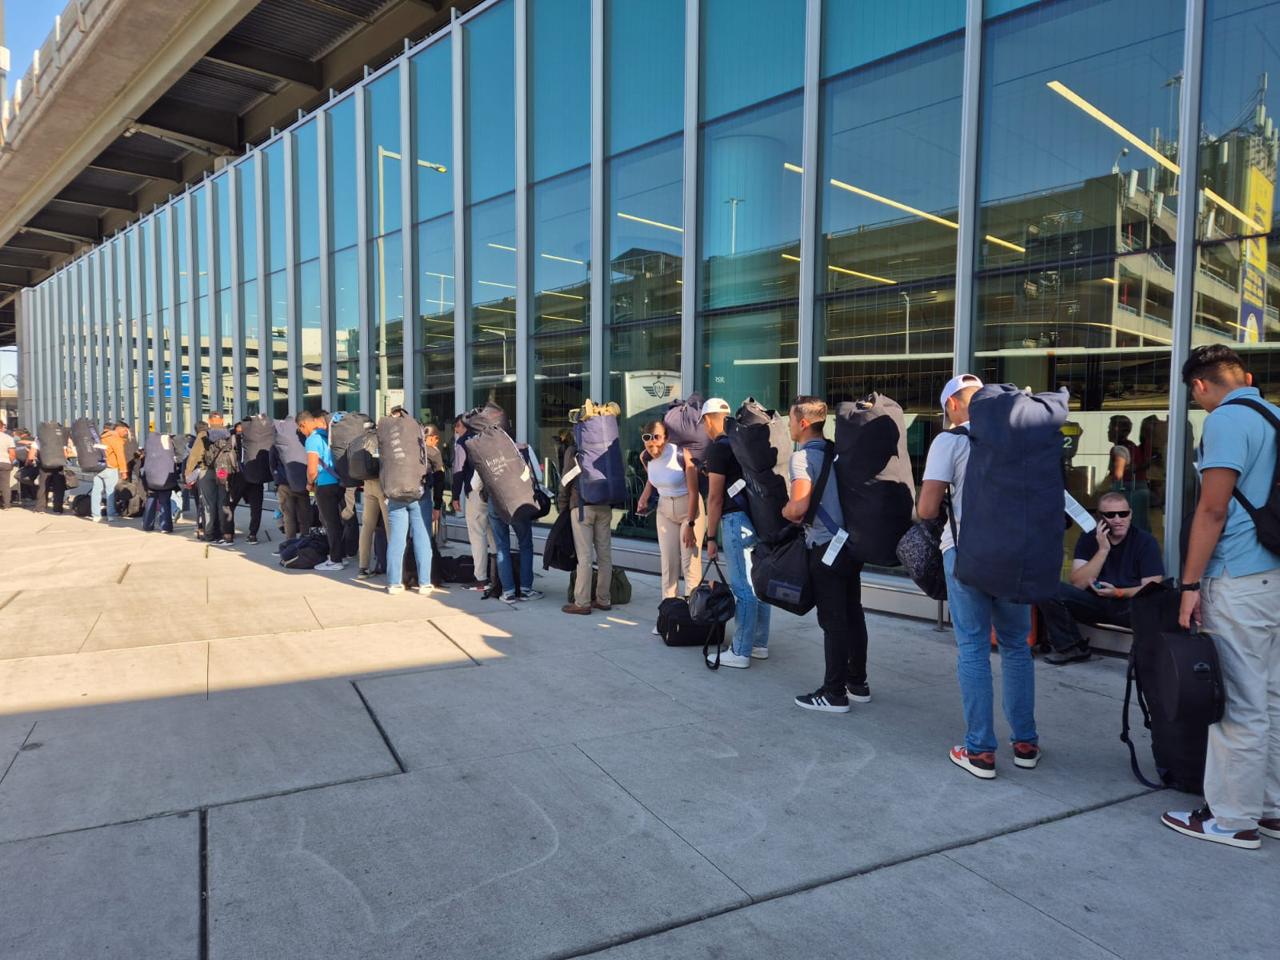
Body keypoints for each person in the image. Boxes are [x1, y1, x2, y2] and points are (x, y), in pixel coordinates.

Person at [1162, 345, 1280, 851]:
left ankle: (1233, 820)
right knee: (1272, 699)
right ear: (1247, 378)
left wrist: (1190, 585)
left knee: (1238, 705)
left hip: (1237, 578)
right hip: (1274, 575)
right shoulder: (1274, 415)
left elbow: (1213, 510)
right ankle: (1270, 808)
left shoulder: (1226, 422)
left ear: (1199, 385)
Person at [918, 374, 1039, 778]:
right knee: (1016, 646)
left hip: (967, 553)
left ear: (953, 404)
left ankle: (980, 751)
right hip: (1015, 555)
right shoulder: (1020, 437)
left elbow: (927, 509)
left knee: (972, 647)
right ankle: (1026, 744)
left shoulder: (950, 441)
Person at [780, 396, 869, 712]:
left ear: (803, 423)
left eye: (791, 420)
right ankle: (857, 683)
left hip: (825, 547)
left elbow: (799, 507)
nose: (789, 426)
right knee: (853, 613)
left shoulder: (801, 458)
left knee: (833, 621)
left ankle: (834, 694)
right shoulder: (836, 452)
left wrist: (784, 510)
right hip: (850, 546)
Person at [1036, 491, 1164, 664]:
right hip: (1095, 603)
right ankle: (1072, 648)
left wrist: (1118, 592)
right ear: (1100, 517)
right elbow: (1077, 584)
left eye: (1123, 514)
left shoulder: (1145, 541)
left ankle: (1143, 660)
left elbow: (1152, 588)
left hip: (1129, 606)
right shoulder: (1089, 538)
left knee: (1154, 606)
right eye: (1110, 515)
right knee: (1048, 587)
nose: (1118, 519)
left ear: (1130, 514)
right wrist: (1103, 550)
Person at [701, 398, 771, 667]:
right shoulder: (742, 443)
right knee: (758, 584)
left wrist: (710, 537)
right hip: (758, 519)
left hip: (734, 520)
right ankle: (758, 644)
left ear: (708, 420)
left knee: (742, 587)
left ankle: (740, 651)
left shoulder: (718, 448)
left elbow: (715, 498)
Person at [637, 420, 703, 631]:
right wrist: (644, 496)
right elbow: (652, 478)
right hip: (665, 509)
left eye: (657, 443)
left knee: (689, 563)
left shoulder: (681, 455)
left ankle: (693, 618)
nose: (654, 449)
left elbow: (694, 491)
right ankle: (667, 617)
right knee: (668, 563)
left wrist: (691, 523)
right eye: (649, 445)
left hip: (689, 508)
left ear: (666, 438)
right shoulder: (645, 457)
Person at [484, 423, 544, 605]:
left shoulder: (487, 453)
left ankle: (508, 592)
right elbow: (538, 476)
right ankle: (526, 589)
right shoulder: (523, 449)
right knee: (525, 544)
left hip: (496, 502)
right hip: (519, 502)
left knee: (502, 546)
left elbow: (477, 483)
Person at [559, 426, 613, 616]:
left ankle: (582, 602)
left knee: (585, 557)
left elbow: (566, 480)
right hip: (604, 506)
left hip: (582, 507)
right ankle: (604, 599)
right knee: (605, 555)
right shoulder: (606, 448)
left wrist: (562, 506)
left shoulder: (575, 451)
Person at [382, 408, 435, 596]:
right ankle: (425, 583)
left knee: (397, 540)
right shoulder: (416, 433)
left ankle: (394, 583)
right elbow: (431, 462)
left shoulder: (387, 437)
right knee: (422, 538)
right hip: (419, 494)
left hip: (395, 495)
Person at [298, 410, 346, 571]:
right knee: (338, 521)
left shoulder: (312, 440)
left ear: (303, 425)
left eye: (300, 429)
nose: (302, 432)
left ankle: (335, 560)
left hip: (324, 484)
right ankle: (341, 555)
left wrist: (309, 483)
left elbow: (312, 470)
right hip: (338, 482)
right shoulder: (327, 434)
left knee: (330, 523)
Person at [451, 416, 495, 591]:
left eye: (457, 427)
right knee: (493, 533)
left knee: (477, 535)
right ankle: (499, 577)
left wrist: (455, 496)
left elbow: (458, 472)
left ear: (461, 426)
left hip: (476, 493)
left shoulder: (463, 443)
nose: (456, 431)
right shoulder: (488, 438)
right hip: (494, 492)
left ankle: (481, 579)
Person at [227, 419, 265, 544]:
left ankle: (230, 534)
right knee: (255, 508)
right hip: (253, 477)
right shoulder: (260, 438)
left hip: (241, 476)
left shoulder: (234, 437)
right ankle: (251, 534)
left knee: (230, 505)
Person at [89, 422, 131, 522]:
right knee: (110, 492)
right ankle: (111, 515)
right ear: (120, 429)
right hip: (110, 468)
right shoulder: (116, 439)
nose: (126, 433)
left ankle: (96, 515)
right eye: (125, 431)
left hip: (98, 467)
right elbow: (120, 456)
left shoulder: (101, 437)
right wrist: (124, 471)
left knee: (96, 491)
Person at [141, 433, 177, 533]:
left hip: (151, 478)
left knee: (150, 500)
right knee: (165, 502)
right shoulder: (169, 446)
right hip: (165, 480)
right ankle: (165, 526)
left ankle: (147, 525)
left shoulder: (149, 445)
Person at [32, 427, 73, 514]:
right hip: (58, 465)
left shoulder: (40, 436)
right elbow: (65, 454)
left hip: (44, 464)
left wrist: (30, 461)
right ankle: (58, 508)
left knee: (43, 486)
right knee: (58, 487)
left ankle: (40, 508)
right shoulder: (61, 436)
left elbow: (32, 452)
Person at [424, 424, 447, 552]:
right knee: (427, 532)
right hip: (426, 494)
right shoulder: (434, 452)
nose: (437, 441)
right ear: (431, 438)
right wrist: (437, 506)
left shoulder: (414, 449)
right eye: (436, 438)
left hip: (410, 495)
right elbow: (439, 480)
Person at [0, 421, 15, 510]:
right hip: (5, 463)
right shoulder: (8, 438)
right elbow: (12, 454)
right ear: (2, 427)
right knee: (5, 485)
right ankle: (6, 505)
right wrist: (11, 462)